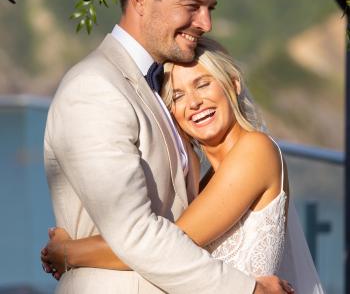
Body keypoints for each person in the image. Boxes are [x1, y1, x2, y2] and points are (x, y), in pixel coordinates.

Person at [41, 0, 292, 294]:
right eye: (192, 6)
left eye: (209, 7)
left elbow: (177, 228)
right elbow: (138, 233)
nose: (206, 22)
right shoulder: (94, 88)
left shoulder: (154, 85)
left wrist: (70, 252)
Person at [42, 38, 325, 294]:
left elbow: (159, 246)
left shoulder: (255, 150)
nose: (194, 102)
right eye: (177, 96)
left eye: (203, 84)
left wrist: (68, 251)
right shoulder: (205, 184)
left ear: (234, 83)